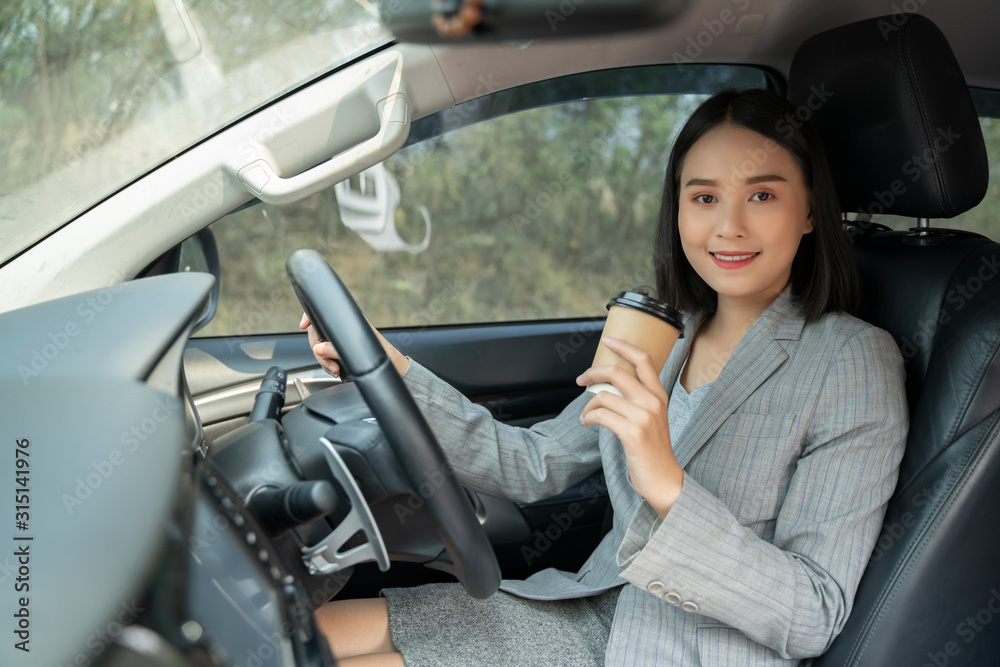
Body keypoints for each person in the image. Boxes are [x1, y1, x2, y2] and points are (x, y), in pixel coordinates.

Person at [300, 89, 909, 666]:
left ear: (808, 212)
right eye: (703, 198)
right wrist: (388, 367)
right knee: (289, 639)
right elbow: (529, 464)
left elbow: (814, 612)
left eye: (763, 196)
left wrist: (667, 482)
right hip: (586, 608)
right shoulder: (662, 332)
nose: (729, 227)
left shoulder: (852, 361)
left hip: (686, 652)